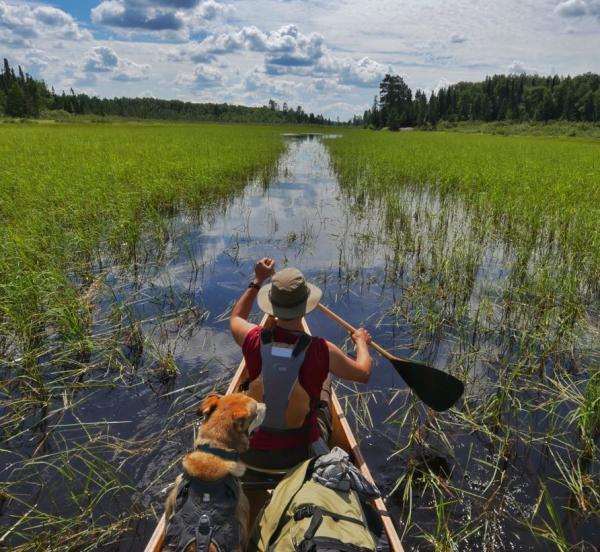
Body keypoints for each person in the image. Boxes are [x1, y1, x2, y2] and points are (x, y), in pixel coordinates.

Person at [229, 257, 372, 471]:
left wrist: (258, 279)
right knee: (325, 379)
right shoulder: (322, 350)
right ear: (306, 306)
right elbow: (363, 373)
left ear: (272, 306)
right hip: (299, 457)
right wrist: (361, 343)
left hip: (249, 452)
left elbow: (236, 318)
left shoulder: (252, 338)